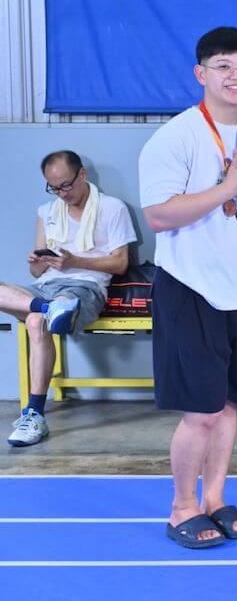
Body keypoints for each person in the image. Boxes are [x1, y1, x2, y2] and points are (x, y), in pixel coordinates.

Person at [138, 26, 237, 548]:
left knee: (230, 405)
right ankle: (182, 507)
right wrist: (226, 188)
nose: (236, 76)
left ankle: (215, 498)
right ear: (201, 73)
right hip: (191, 288)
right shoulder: (176, 137)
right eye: (224, 66)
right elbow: (158, 215)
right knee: (201, 412)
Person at [2, 151, 135, 446]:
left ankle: (34, 415)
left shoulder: (112, 208)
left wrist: (75, 262)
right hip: (46, 286)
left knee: (36, 323)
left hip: (84, 287)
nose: (62, 194)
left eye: (66, 185)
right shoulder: (46, 211)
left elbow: (121, 263)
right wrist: (37, 262)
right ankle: (50, 308)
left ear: (82, 175)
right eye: (54, 188)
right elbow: (36, 272)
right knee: (38, 314)